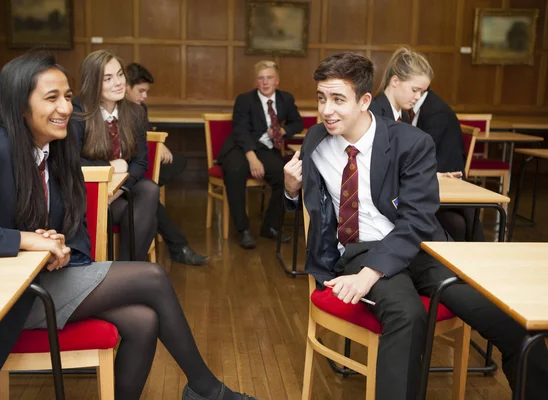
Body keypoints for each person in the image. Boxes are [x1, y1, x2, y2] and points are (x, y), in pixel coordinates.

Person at [0, 52, 256, 400]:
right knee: (152, 277)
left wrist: (58, 247)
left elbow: (72, 224)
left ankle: (203, 388)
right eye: (51, 98)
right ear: (19, 105)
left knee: (143, 321)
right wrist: (22, 240)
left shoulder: (53, 148)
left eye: (67, 96)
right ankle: (207, 389)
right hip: (3, 295)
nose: (65, 108)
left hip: (40, 277)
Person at [283, 52, 548, 400]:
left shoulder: (411, 142)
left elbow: (417, 220)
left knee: (510, 324)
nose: (326, 110)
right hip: (361, 248)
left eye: (338, 99)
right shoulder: (316, 140)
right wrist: (290, 190)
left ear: (365, 101)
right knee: (407, 315)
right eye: (321, 98)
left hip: (421, 246)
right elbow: (311, 205)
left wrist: (371, 274)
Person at [71, 51, 208, 265]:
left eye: (120, 75)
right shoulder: (77, 113)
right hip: (88, 194)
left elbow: (141, 162)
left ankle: (125, 270)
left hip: (121, 192)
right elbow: (72, 162)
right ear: (93, 82)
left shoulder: (134, 113)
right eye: (108, 78)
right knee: (147, 216)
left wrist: (119, 189)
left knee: (149, 189)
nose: (118, 83)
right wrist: (110, 167)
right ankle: (130, 270)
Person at [370, 47, 482, 242]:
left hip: (402, 195)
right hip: (386, 207)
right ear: (395, 81)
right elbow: (379, 170)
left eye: (422, 92)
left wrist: (434, 175)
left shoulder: (401, 115)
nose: (418, 97)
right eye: (415, 90)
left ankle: (474, 268)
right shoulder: (375, 113)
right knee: (459, 221)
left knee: (467, 215)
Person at [218, 60, 304, 249]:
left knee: (284, 177)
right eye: (261, 78)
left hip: (265, 148)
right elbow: (240, 131)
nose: (265, 82)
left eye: (269, 78)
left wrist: (282, 130)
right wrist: (252, 159)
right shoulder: (244, 100)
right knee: (235, 171)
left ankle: (271, 227)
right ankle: (243, 230)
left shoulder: (286, 99)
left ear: (277, 80)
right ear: (256, 82)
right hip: (240, 147)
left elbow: (298, 123)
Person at [125, 62, 187, 186]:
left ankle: (145, 187)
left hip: (144, 156)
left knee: (177, 160)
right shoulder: (117, 107)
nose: (145, 96)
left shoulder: (141, 107)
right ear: (126, 86)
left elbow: (148, 131)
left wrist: (159, 145)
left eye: (146, 91)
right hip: (129, 158)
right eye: (141, 91)